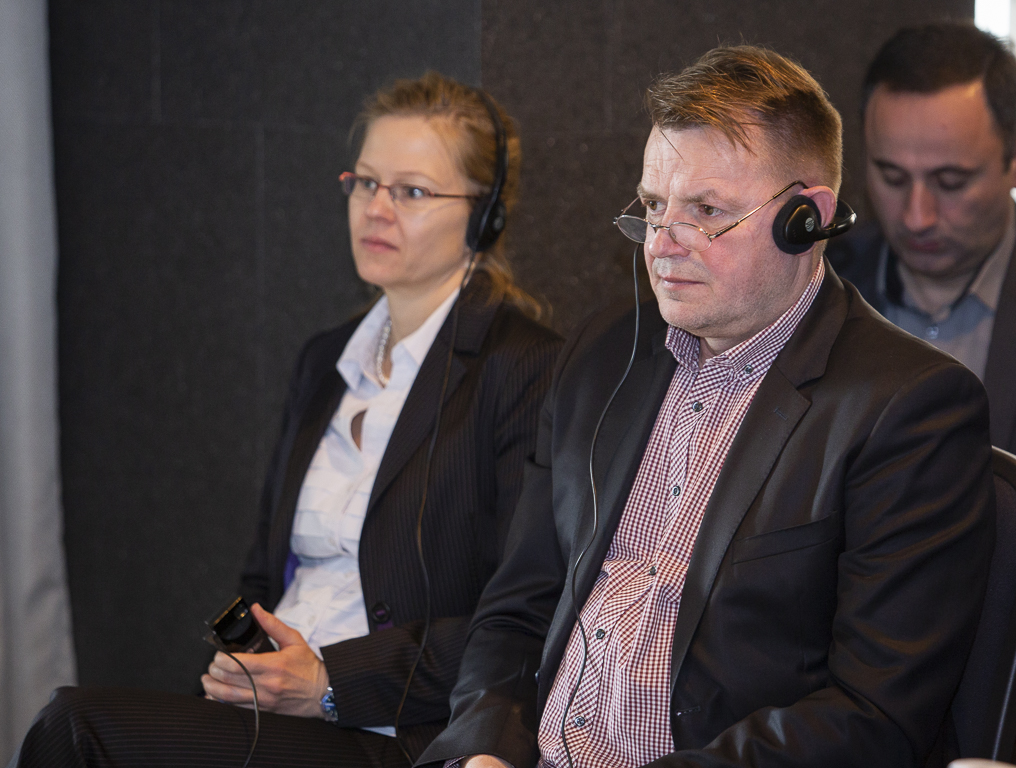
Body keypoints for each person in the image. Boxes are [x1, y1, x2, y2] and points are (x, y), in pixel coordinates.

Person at [418, 46, 995, 768]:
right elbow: (516, 609)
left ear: (806, 219)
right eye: (654, 207)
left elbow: (873, 716)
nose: (663, 244)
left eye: (706, 212)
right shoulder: (603, 353)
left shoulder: (909, 407)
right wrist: (485, 751)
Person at [14, 72, 561, 768]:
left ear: (485, 217)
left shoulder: (524, 367)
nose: (376, 209)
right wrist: (244, 665)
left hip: (393, 732)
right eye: (365, 183)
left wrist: (331, 682)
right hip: (272, 716)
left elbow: (521, 618)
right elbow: (263, 576)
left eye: (412, 191)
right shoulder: (324, 359)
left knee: (75, 728)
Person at [828, 22, 1016, 451]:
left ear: (1011, 161)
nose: (917, 218)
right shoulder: (817, 285)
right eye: (892, 177)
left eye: (950, 182)